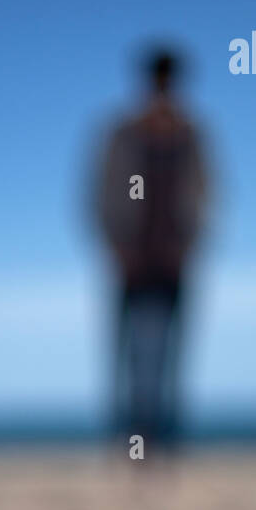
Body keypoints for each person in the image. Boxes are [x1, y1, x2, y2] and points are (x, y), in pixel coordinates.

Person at [95, 46, 208, 455]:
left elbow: (205, 194)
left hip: (172, 262)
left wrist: (189, 245)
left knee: (170, 355)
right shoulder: (123, 133)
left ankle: (165, 445)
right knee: (130, 356)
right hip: (132, 262)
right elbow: (101, 193)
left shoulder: (191, 134)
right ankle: (130, 444)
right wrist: (116, 247)